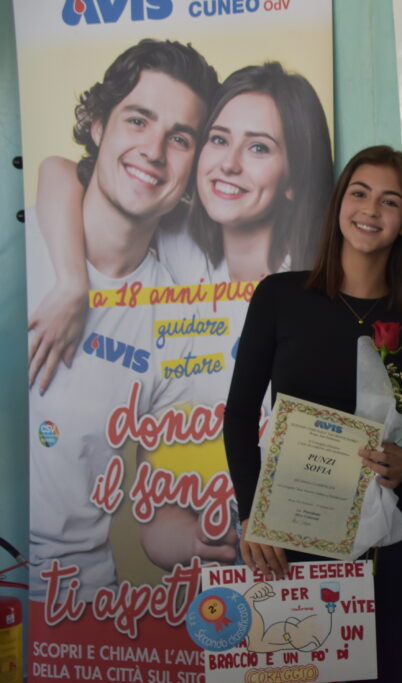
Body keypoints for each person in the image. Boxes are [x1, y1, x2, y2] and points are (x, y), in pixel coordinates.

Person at [223, 145, 402, 683]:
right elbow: (240, 415)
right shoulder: (279, 297)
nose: (371, 209)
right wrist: (252, 515)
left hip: (390, 541)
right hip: (289, 535)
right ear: (339, 203)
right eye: (359, 193)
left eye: (390, 201)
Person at [25, 39, 219, 600]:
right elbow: (55, 169)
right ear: (96, 126)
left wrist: (206, 540)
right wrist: (72, 282)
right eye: (138, 120)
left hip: (76, 605)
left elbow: (155, 525)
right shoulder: (22, 247)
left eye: (179, 138)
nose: (154, 151)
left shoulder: (177, 323)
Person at [28, 61, 333, 391]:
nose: (229, 164)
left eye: (258, 148)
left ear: (295, 179)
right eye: (219, 139)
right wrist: (72, 282)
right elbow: (60, 170)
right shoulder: (180, 233)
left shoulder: (310, 291)